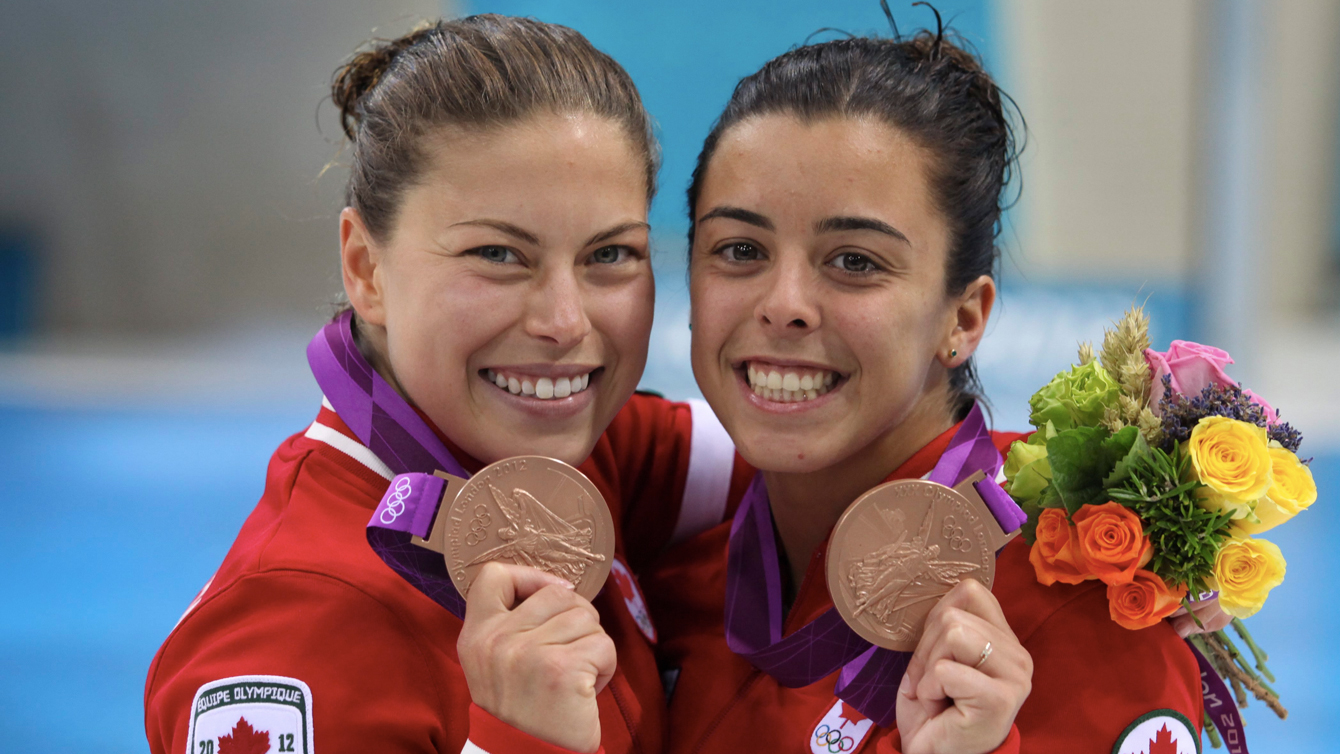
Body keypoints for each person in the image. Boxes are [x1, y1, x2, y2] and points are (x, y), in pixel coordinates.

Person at [143, 16, 747, 754]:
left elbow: (807, 455)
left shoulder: (569, 456)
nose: (564, 321)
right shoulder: (289, 634)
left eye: (610, 253)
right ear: (366, 269)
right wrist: (520, 744)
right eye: (497, 253)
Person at [643, 29, 1205, 754]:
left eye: (854, 261)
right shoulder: (671, 575)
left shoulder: (1073, 611)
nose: (784, 303)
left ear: (963, 318)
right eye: (740, 250)